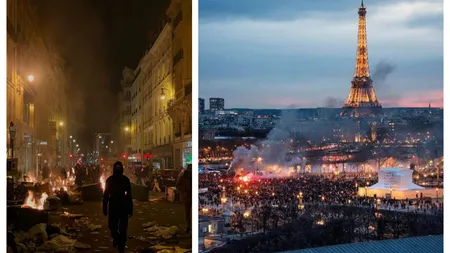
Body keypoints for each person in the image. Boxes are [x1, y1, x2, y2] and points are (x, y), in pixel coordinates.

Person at [103, 161, 133, 253]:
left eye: (119, 168)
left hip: (122, 206)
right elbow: (106, 195)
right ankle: (117, 239)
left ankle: (121, 248)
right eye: (117, 168)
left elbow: (129, 196)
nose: (118, 169)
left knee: (123, 229)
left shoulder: (125, 180)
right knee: (113, 228)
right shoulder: (110, 180)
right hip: (113, 206)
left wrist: (130, 209)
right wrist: (104, 207)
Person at [176, 164, 192, 233]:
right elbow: (178, 186)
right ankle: (188, 226)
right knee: (187, 213)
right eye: (190, 168)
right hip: (186, 197)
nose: (191, 170)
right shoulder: (182, 177)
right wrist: (184, 190)